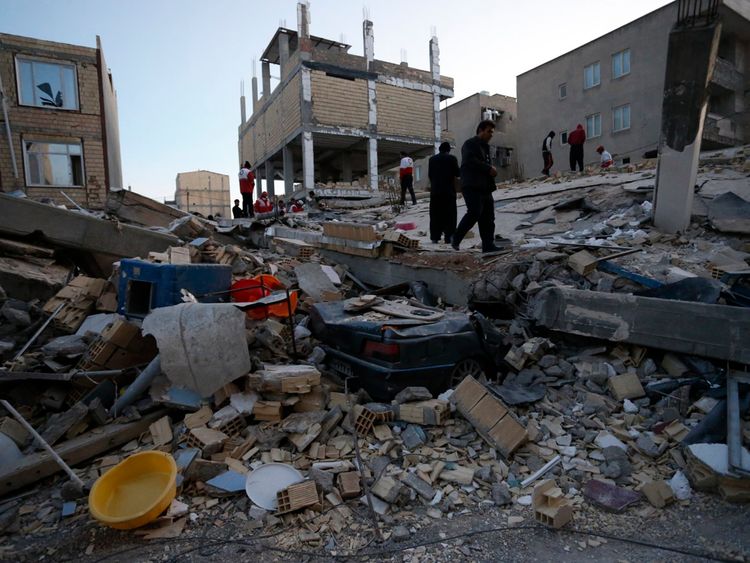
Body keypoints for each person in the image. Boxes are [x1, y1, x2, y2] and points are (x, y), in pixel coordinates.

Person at [451, 120, 500, 253]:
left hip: (485, 187)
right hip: (472, 185)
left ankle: (488, 245)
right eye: (489, 131)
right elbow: (470, 161)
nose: (491, 135)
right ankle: (455, 238)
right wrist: (488, 168)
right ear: (481, 130)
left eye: (492, 132)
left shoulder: (486, 147)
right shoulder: (470, 144)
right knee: (474, 213)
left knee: (488, 217)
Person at [428, 141, 460, 244]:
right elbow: (457, 173)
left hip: (435, 192)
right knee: (450, 215)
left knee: (435, 215)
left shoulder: (432, 159)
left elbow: (430, 175)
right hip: (448, 192)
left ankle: (435, 237)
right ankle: (449, 237)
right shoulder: (452, 159)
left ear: (439, 149)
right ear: (448, 150)